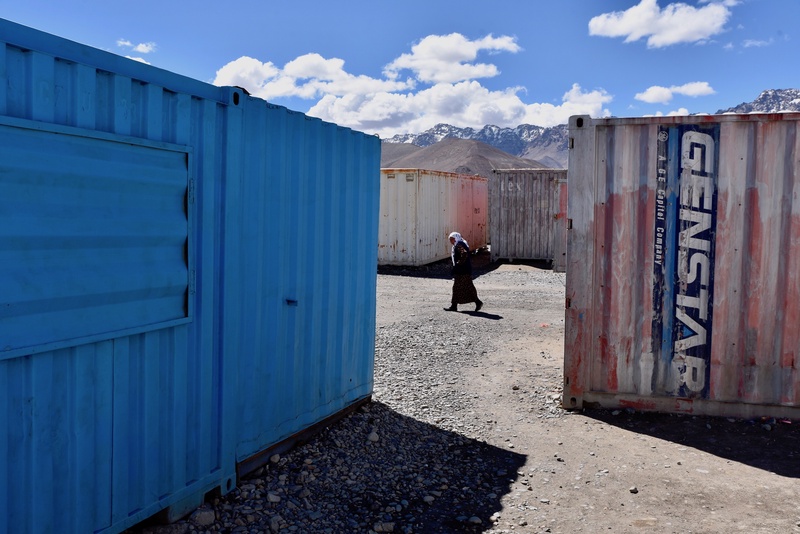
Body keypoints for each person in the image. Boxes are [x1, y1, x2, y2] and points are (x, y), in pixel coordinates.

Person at [444, 231, 483, 312]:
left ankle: (455, 306)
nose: (451, 241)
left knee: (459, 288)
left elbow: (464, 254)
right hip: (464, 271)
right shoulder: (460, 244)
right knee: (467, 287)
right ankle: (476, 302)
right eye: (450, 240)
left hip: (462, 271)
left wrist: (459, 264)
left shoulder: (459, 245)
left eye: (452, 239)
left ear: (456, 238)